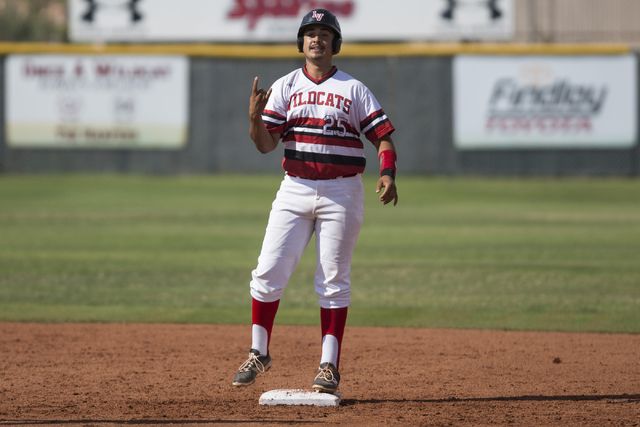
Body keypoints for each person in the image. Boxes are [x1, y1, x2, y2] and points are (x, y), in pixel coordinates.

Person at [232, 8, 398, 394]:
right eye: (310, 33)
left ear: (334, 43)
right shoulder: (286, 85)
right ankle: (259, 351)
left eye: (325, 33)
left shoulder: (354, 89)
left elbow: (383, 136)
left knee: (333, 281)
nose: (317, 39)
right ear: (301, 42)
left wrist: (387, 173)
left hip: (342, 191)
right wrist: (255, 121)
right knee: (268, 271)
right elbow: (266, 146)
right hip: (295, 188)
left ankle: (328, 365)